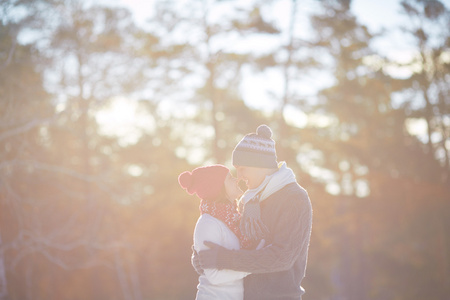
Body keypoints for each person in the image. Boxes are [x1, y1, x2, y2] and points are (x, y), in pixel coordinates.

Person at [195, 124, 313, 300]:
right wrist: (204, 257)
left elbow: (282, 257)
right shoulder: (249, 201)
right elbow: (242, 245)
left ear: (260, 164)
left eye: (242, 168)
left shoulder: (294, 199)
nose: (239, 176)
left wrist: (224, 259)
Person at [179, 164, 263, 300]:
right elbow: (214, 276)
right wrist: (254, 264)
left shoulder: (235, 219)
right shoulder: (208, 224)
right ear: (219, 188)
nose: (236, 180)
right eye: (230, 178)